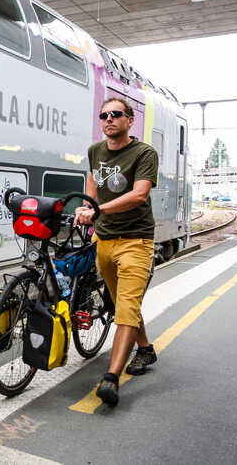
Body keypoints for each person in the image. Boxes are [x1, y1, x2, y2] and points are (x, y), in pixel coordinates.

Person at [74, 97, 159, 406]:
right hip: (105, 242)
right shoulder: (96, 150)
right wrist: (87, 205)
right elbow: (94, 180)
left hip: (136, 241)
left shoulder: (144, 152)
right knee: (120, 302)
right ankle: (145, 349)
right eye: (103, 115)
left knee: (125, 307)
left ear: (130, 120)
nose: (108, 119)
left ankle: (111, 377)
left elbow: (139, 195)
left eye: (115, 114)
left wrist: (97, 210)